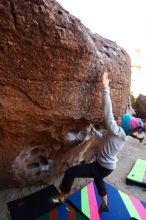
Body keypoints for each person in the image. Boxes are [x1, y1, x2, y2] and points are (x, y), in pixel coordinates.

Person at [51, 72, 146, 213]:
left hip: (102, 166)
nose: (118, 118)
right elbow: (104, 139)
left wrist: (105, 87)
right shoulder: (119, 135)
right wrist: (94, 131)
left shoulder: (117, 131)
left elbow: (108, 114)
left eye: (121, 119)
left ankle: (61, 197)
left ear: (122, 126)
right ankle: (104, 205)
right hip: (106, 167)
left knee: (71, 173)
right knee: (98, 180)